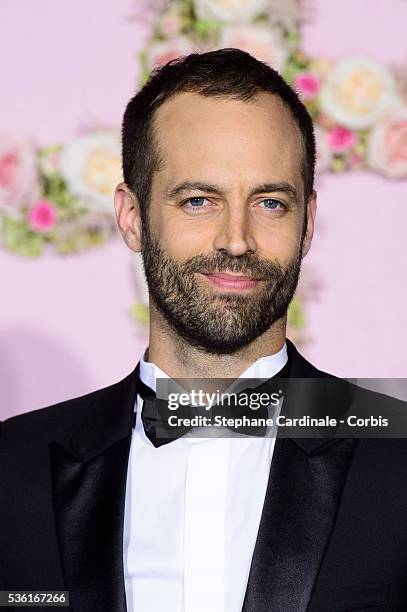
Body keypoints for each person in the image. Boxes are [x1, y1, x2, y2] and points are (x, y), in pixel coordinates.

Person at [1, 48, 407, 612]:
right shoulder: (11, 469)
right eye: (198, 200)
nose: (236, 239)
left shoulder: (397, 446)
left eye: (269, 203)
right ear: (133, 217)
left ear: (308, 222)